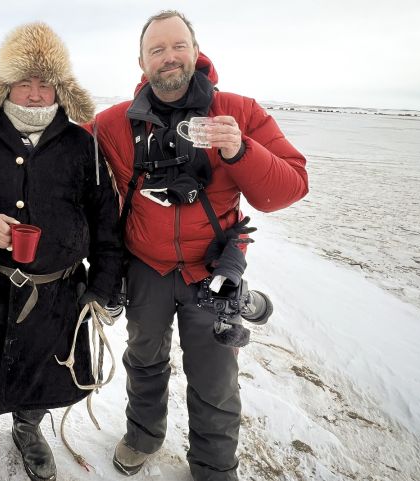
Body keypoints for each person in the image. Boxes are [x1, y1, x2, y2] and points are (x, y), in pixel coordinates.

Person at [90, 10, 309, 481]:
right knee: (144, 359)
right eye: (157, 49)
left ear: (195, 49)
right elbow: (62, 159)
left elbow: (288, 188)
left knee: (214, 379)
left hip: (210, 271)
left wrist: (240, 150)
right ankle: (143, 435)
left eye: (177, 46)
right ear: (141, 61)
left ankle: (213, 468)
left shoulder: (241, 111)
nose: (168, 57)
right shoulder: (114, 124)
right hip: (145, 268)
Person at [0, 22, 122, 481]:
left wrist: (101, 287)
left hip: (57, 293)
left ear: (59, 88)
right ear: (6, 87)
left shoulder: (84, 144)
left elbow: (106, 224)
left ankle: (28, 429)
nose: (35, 94)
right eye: (24, 83)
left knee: (42, 366)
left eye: (44, 84)